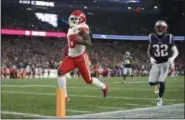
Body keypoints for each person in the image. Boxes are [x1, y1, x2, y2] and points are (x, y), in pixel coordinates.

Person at [57, 10, 108, 102]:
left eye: (75, 19)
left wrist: (77, 40)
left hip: (81, 58)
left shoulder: (82, 29)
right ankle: (64, 97)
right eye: (72, 18)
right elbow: (72, 41)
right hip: (71, 57)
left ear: (81, 20)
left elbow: (89, 43)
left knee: (88, 80)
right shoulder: (71, 28)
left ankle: (104, 87)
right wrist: (68, 47)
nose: (72, 20)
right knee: (60, 73)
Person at [147, 20, 179, 106]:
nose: (160, 29)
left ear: (165, 29)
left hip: (165, 63)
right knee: (151, 82)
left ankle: (159, 98)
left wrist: (172, 58)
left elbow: (176, 51)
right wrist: (151, 58)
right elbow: (149, 50)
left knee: (161, 81)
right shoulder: (151, 37)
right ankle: (157, 84)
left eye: (162, 27)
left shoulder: (169, 37)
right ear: (155, 28)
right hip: (156, 63)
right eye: (159, 27)